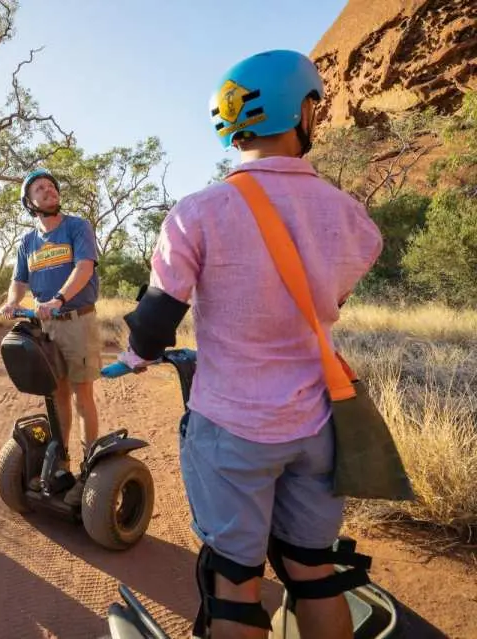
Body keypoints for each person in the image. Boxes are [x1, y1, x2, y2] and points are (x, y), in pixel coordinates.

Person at [119, 50, 383, 639]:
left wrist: (135, 357)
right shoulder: (351, 216)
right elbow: (333, 299)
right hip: (316, 423)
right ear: (302, 113)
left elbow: (157, 319)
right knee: (315, 571)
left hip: (233, 424)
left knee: (234, 578)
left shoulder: (197, 213)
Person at [0, 168, 102, 506]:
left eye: (51, 186)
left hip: (75, 319)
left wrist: (58, 299)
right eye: (40, 189)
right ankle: (62, 461)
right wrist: (13, 302)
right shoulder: (28, 242)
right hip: (44, 326)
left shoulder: (77, 226)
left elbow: (84, 268)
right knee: (57, 394)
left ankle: (90, 466)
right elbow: (19, 280)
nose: (48, 191)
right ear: (29, 202)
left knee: (81, 394)